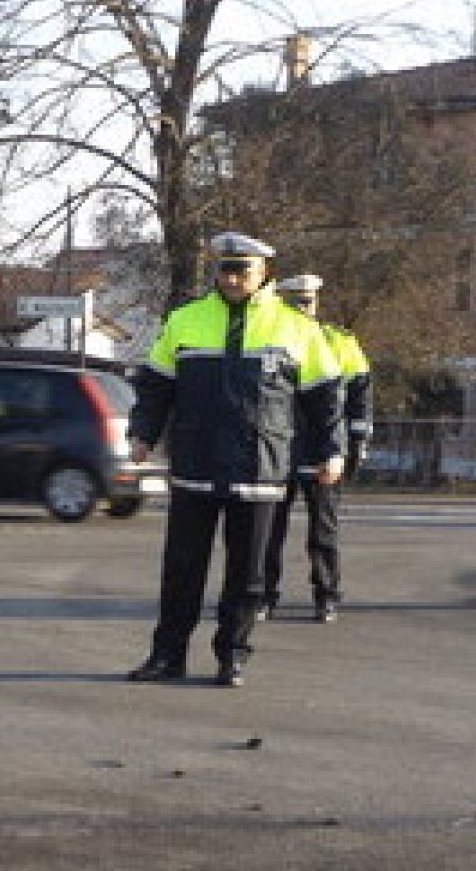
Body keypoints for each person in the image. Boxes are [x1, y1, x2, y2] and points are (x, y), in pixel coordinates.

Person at [125, 233, 345, 688]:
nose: (231, 278)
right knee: (181, 570)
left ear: (264, 272)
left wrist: (331, 450)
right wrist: (142, 433)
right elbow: (157, 384)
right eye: (224, 269)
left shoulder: (296, 328)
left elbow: (325, 398)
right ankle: (167, 656)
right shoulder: (185, 320)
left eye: (241, 270)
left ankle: (233, 655)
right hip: (195, 464)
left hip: (259, 466)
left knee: (248, 575)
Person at [262, 273, 372, 624]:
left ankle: (326, 595)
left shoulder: (340, 341)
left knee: (323, 529)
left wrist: (357, 442)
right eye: (295, 301)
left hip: (323, 450)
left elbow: (359, 394)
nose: (303, 308)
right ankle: (262, 595)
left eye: (308, 301)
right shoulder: (266, 339)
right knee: (266, 530)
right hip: (276, 449)